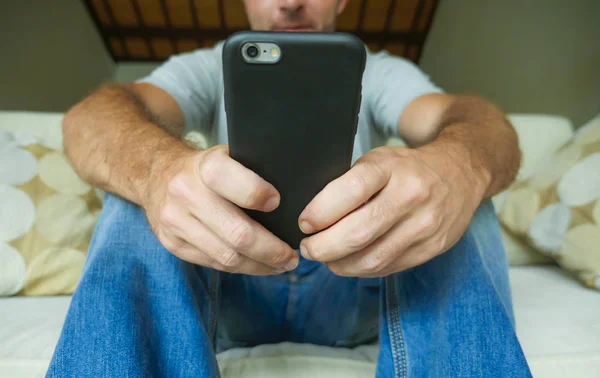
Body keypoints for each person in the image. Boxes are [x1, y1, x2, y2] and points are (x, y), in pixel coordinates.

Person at [47, 0, 532, 376]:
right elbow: (91, 119)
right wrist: (156, 174)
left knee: (455, 186)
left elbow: (479, 126)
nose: (291, 2)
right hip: (230, 279)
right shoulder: (205, 66)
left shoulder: (380, 70)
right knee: (138, 191)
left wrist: (458, 167)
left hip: (351, 283)